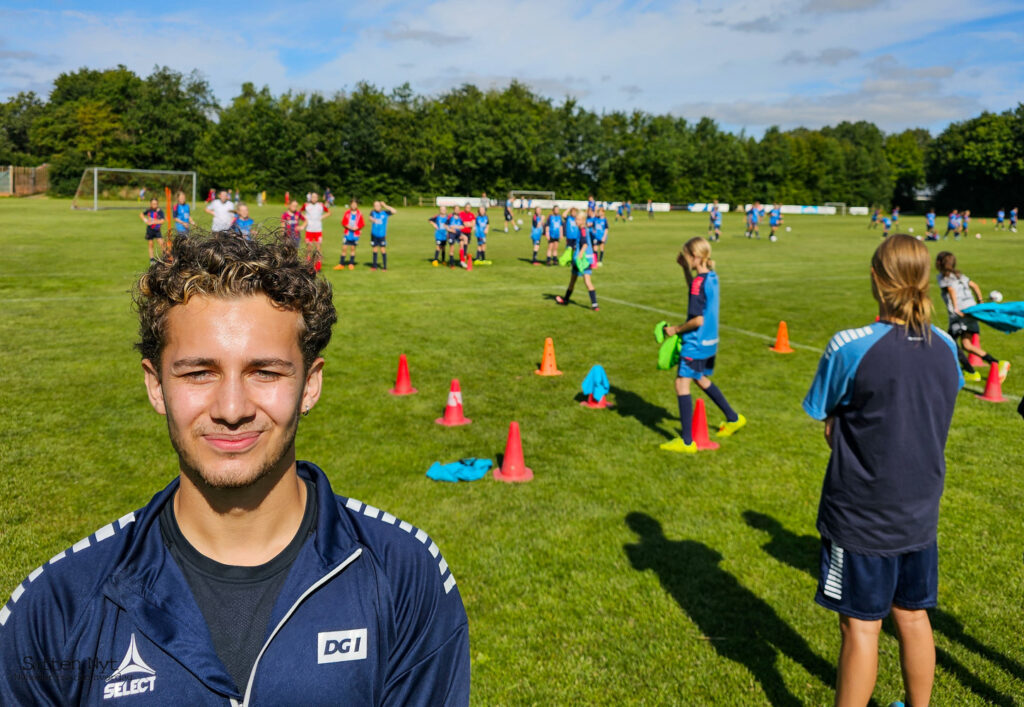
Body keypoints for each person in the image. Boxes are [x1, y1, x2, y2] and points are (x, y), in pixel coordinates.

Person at [0, 232, 470, 705]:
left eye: (265, 372)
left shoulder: (403, 573)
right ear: (156, 385)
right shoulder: (58, 606)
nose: (231, 408)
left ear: (310, 384)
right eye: (198, 372)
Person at [802, 234, 962, 707]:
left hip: (860, 516)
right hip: (919, 512)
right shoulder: (947, 348)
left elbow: (827, 421)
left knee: (860, 625)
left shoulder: (849, 345)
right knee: (913, 617)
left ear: (876, 278)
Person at [659, 237, 745, 453]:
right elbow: (696, 290)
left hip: (695, 341)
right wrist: (685, 271)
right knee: (699, 378)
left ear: (695, 257)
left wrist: (675, 330)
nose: (684, 258)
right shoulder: (711, 277)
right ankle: (733, 418)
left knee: (682, 383)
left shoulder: (700, 283)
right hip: (710, 341)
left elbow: (698, 319)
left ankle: (686, 442)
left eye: (686, 256)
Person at [935, 251, 1009, 383]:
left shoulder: (944, 278)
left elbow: (951, 290)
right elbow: (974, 285)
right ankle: (997, 363)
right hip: (972, 310)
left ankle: (970, 371)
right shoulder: (959, 275)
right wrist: (980, 302)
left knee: (949, 342)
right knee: (966, 344)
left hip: (960, 314)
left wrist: (956, 308)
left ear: (939, 263)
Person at [555, 212, 599, 311]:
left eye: (578, 219)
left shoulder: (583, 230)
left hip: (582, 260)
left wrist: (579, 255)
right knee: (573, 281)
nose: (576, 220)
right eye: (576, 219)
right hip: (580, 260)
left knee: (587, 281)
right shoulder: (581, 229)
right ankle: (566, 300)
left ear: (583, 221)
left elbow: (585, 244)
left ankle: (594, 304)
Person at [301, 192, 329, 266]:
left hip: (318, 230)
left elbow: (329, 212)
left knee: (318, 248)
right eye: (312, 197)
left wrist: (322, 217)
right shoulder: (306, 205)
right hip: (309, 230)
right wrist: (305, 217)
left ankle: (318, 266)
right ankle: (307, 265)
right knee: (309, 248)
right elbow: (299, 212)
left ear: (317, 198)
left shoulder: (321, 205)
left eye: (315, 197)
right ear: (310, 198)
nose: (314, 198)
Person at [336, 199, 365, 271]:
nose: (354, 205)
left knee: (352, 248)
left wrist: (357, 227)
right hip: (347, 233)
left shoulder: (359, 214)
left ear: (357, 205)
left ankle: (351, 263)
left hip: (355, 234)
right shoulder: (347, 213)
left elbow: (362, 223)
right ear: (350, 205)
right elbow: (343, 222)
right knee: (344, 248)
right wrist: (348, 226)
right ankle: (341, 264)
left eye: (355, 204)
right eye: (352, 204)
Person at [368, 200, 396, 271]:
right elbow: (370, 218)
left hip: (382, 235)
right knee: (374, 250)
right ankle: (374, 266)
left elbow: (394, 211)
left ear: (381, 206)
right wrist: (372, 219)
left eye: (378, 205)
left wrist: (385, 206)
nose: (376, 207)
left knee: (383, 250)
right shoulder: (372, 212)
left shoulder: (385, 213)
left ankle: (384, 267)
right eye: (375, 206)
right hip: (374, 234)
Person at [140, 197, 165, 263]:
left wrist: (153, 221)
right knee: (150, 244)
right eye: (153, 204)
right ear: (150, 204)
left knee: (162, 244)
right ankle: (152, 260)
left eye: (156, 204)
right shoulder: (149, 210)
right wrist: (146, 220)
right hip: (150, 230)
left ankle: (164, 258)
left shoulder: (160, 211)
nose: (154, 205)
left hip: (157, 230)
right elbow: (141, 214)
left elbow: (162, 221)